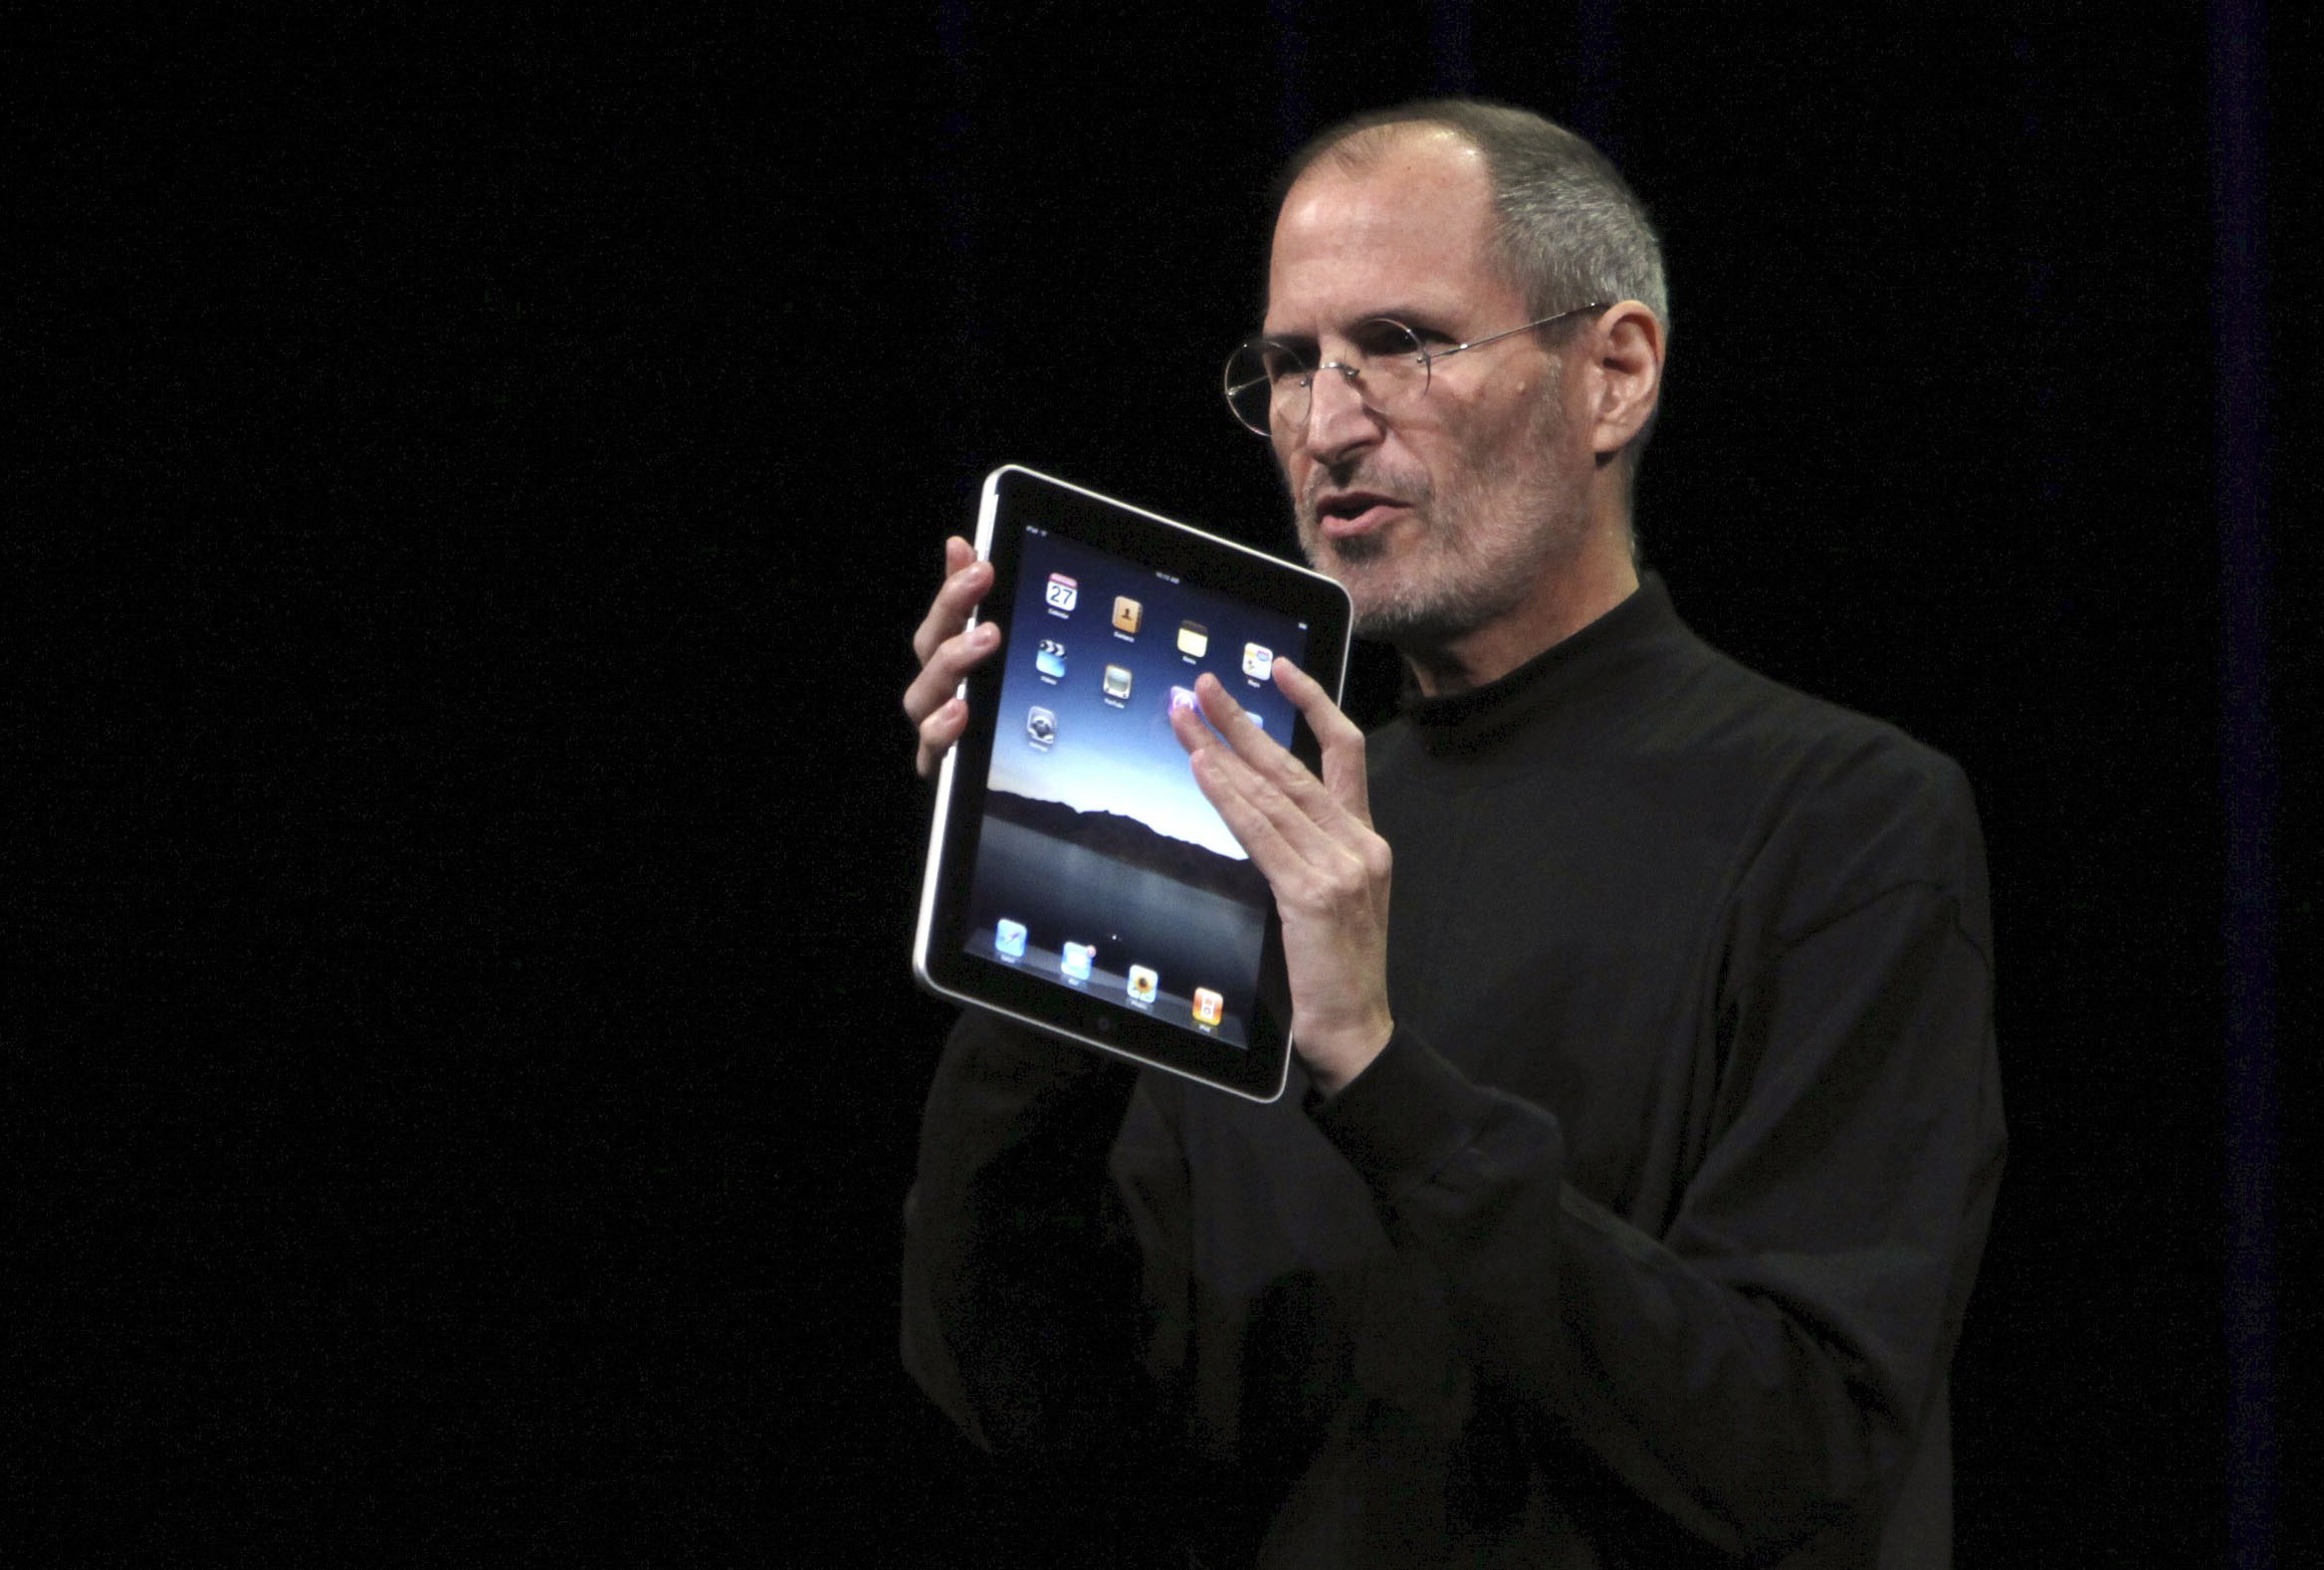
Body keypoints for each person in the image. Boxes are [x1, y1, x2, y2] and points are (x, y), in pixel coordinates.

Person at [900, 99, 2005, 1567]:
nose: (1331, 425)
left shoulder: (1848, 819)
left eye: (1403, 346)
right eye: (1291, 365)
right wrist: (1019, 888)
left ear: (1613, 375)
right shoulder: (1259, 830)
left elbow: (1800, 1446)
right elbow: (1038, 1408)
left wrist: (1374, 1067)